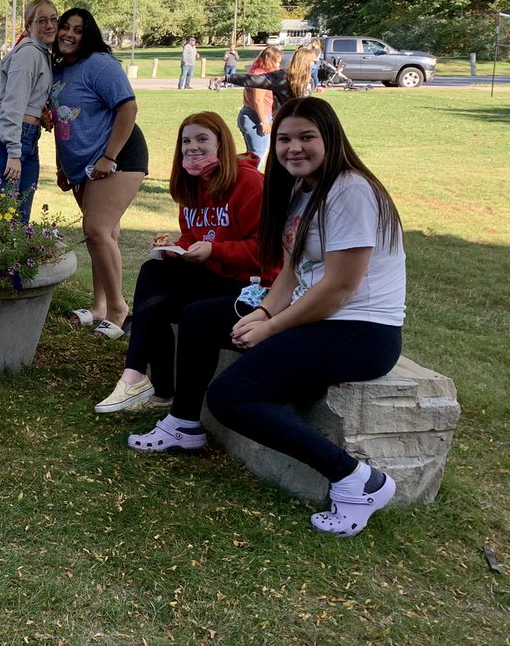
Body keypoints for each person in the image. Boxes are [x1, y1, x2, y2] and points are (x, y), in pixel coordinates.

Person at [128, 97, 405, 537]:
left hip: (361, 333)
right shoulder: (302, 190)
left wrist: (272, 327)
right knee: (200, 319)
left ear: (330, 139)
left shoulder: (350, 190)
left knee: (231, 397)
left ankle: (358, 480)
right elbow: (292, 271)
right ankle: (183, 424)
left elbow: (339, 288)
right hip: (316, 317)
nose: (294, 148)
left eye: (306, 137)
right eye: (285, 139)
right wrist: (260, 310)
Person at [95, 112, 268, 413]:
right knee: (154, 282)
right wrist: (178, 248)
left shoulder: (249, 183)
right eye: (186, 141)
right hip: (211, 275)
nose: (192, 147)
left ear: (221, 143)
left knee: (157, 293)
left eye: (202, 139)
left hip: (247, 287)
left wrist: (214, 250)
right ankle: (151, 386)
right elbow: (193, 233)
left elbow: (265, 252)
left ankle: (142, 381)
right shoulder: (191, 184)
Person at [50, 8, 148, 340]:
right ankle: (99, 307)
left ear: (88, 35)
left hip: (118, 157)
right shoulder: (59, 71)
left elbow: (128, 108)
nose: (69, 34)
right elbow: (62, 124)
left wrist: (109, 157)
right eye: (65, 27)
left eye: (78, 30)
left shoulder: (101, 65)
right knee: (102, 237)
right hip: (82, 164)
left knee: (96, 230)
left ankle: (120, 309)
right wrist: (62, 166)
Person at [0, 0, 58, 222]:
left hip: (28, 139)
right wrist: (13, 152)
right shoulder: (29, 54)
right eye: (41, 21)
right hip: (8, 142)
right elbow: (12, 104)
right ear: (28, 26)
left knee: (18, 222)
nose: (49, 25)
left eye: (53, 19)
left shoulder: (41, 54)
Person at [222, 45, 296, 166]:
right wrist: (264, 122)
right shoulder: (260, 75)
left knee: (251, 155)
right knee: (258, 155)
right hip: (256, 117)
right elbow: (258, 100)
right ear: (268, 60)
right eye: (276, 62)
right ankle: (248, 181)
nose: (278, 66)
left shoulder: (254, 69)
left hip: (249, 114)